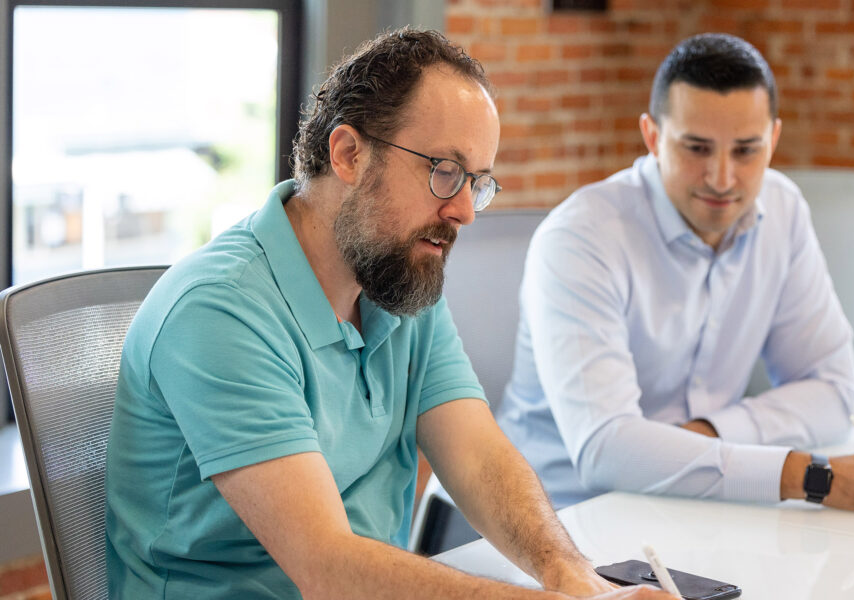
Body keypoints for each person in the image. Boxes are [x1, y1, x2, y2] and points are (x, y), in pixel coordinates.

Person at [104, 29, 670, 600]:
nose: (466, 211)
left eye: (478, 182)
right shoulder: (220, 310)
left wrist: (572, 574)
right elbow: (328, 567)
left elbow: (477, 456)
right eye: (445, 171)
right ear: (349, 154)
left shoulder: (395, 279)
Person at [497, 33, 854, 512]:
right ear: (652, 137)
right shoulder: (583, 237)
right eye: (697, 149)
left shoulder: (782, 209)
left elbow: (835, 394)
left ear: (773, 140)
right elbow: (606, 450)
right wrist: (810, 477)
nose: (722, 178)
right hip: (556, 516)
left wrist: (707, 435)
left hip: (694, 507)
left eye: (746, 151)